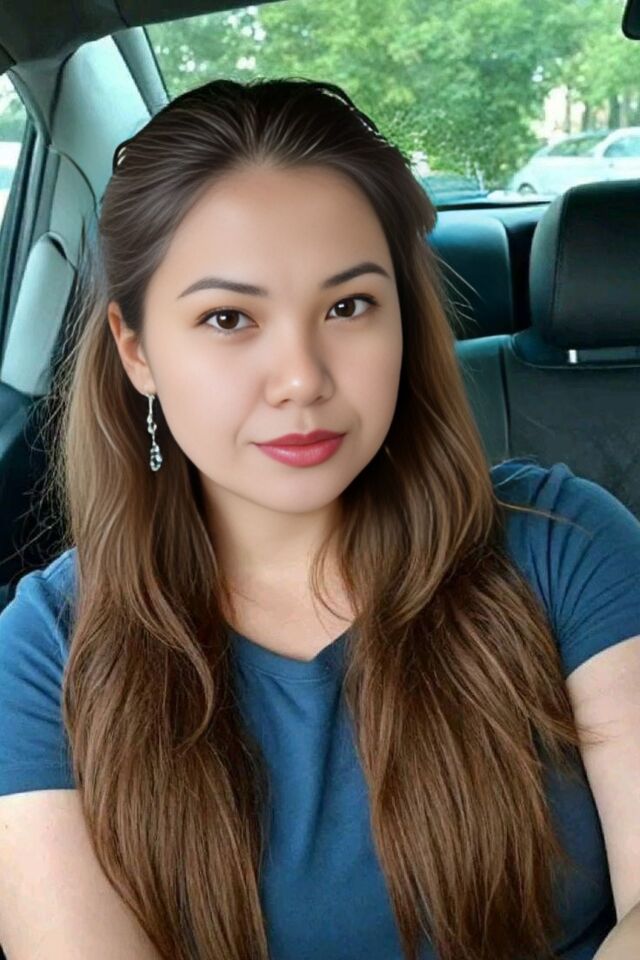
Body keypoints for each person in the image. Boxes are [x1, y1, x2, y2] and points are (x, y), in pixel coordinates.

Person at [0, 77, 639, 960]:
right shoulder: (46, 652)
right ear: (137, 351)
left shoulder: (566, 545)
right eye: (229, 317)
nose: (302, 376)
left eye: (348, 306)